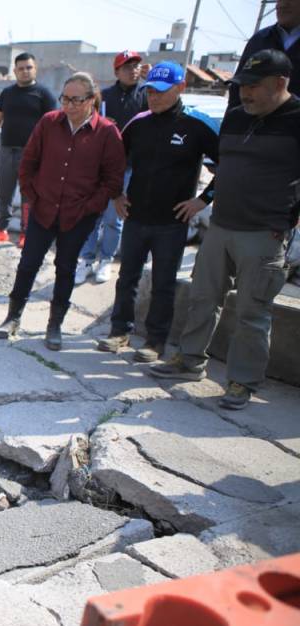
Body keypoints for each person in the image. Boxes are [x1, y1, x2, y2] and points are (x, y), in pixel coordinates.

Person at [149, 50, 299, 410]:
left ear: (280, 83)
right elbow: (223, 167)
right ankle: (189, 361)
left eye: (254, 86)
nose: (245, 93)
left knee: (252, 312)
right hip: (221, 226)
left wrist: (287, 218)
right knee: (203, 296)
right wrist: (206, 200)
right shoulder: (235, 116)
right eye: (242, 85)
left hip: (264, 233)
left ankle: (241, 382)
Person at [96, 62, 220, 363]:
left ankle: (155, 341)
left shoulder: (198, 124)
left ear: (180, 88)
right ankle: (119, 331)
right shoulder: (138, 123)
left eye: (161, 92)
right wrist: (116, 195)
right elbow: (113, 162)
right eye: (150, 91)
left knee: (163, 284)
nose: (154, 97)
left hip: (172, 222)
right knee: (127, 277)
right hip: (136, 217)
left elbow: (228, 166)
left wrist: (202, 201)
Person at [0, 72, 125, 350]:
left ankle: (54, 325)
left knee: (65, 268)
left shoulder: (106, 132)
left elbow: (112, 181)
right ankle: (12, 317)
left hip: (78, 216)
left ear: (91, 100)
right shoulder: (49, 123)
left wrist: (90, 208)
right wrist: (32, 195)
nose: (69, 105)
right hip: (43, 208)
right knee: (28, 264)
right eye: (65, 99)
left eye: (76, 100)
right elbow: (28, 163)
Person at [75, 50, 149, 286]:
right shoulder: (104, 96)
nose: (133, 70)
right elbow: (89, 123)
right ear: (117, 72)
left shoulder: (146, 95)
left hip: (128, 167)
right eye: (127, 67)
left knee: (114, 218)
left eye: (136, 66)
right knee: (91, 214)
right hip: (99, 166)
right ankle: (86, 260)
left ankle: (106, 259)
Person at [0, 52, 58, 248]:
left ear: (35, 69)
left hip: (32, 154)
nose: (25, 71)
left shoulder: (44, 94)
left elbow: (53, 125)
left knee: (28, 195)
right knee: (4, 192)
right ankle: (2, 230)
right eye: (21, 68)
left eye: (29, 67)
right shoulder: (7, 93)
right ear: (15, 71)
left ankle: (26, 233)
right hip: (6, 150)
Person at [230, 0, 299, 109]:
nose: (282, 5)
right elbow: (237, 89)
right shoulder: (259, 39)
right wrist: (233, 118)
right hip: (256, 119)